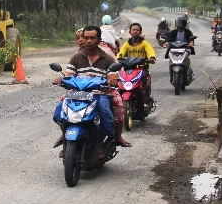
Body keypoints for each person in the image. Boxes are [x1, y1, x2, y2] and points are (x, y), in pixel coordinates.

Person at [53, 25, 130, 158]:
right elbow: (69, 75)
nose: (88, 41)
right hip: (78, 94)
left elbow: (114, 76)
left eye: (92, 38)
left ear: (99, 39)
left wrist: (112, 80)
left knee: (107, 113)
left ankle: (104, 140)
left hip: (100, 94)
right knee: (60, 109)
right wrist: (61, 80)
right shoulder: (76, 58)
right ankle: (65, 137)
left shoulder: (108, 59)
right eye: (86, 38)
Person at [117, 23, 156, 109]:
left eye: (137, 30)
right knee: (119, 79)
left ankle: (145, 99)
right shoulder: (127, 44)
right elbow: (121, 53)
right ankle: (118, 100)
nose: (135, 31)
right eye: (133, 29)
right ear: (130, 32)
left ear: (140, 32)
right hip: (129, 68)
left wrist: (151, 57)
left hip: (142, 68)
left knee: (143, 79)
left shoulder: (144, 43)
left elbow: (150, 51)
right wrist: (118, 59)